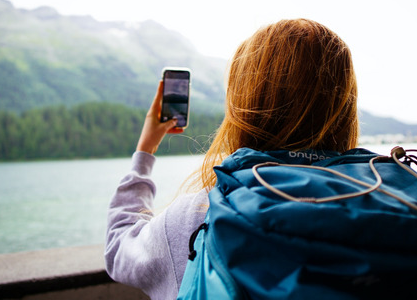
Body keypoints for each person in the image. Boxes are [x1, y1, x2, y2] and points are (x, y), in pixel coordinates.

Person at [105, 18, 359, 299]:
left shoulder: (200, 215)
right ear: (345, 106)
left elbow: (119, 246)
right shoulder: (387, 202)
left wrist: (145, 151)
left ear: (245, 106)